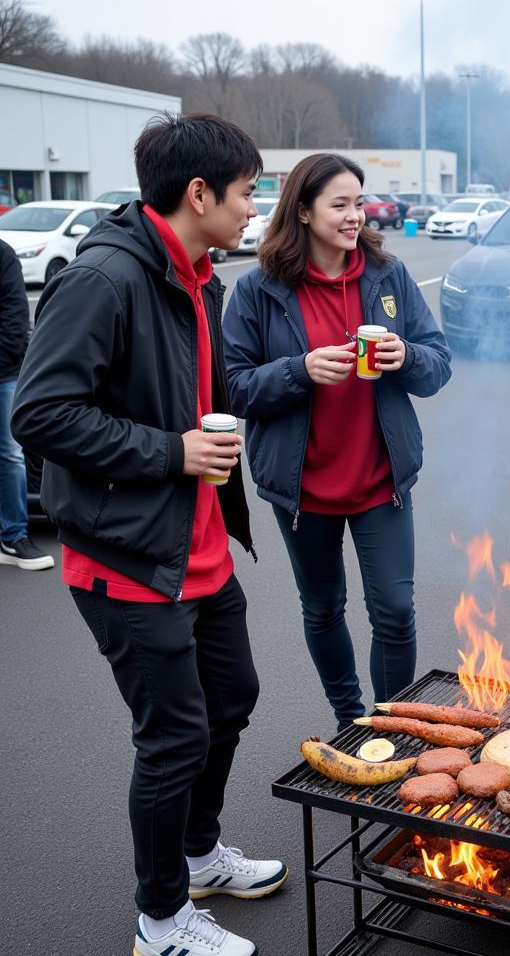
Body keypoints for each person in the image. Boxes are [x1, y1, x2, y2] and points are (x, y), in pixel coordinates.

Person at [12, 113, 286, 956]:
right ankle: (160, 920)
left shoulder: (201, 273)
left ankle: (199, 856)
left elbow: (199, 384)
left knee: (230, 701)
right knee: (172, 739)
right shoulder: (105, 278)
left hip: (195, 545)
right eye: (247, 194)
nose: (256, 209)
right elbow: (41, 413)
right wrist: (171, 452)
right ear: (198, 193)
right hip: (129, 560)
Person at [223, 153, 451, 731]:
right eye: (340, 205)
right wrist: (299, 370)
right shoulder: (258, 289)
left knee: (395, 612)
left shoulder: (389, 275)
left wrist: (408, 357)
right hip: (303, 489)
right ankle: (352, 720)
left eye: (359, 202)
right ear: (302, 210)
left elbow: (438, 364)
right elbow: (233, 387)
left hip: (381, 482)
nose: (356, 216)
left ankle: (393, 727)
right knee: (323, 608)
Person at [0, 238, 52, 570]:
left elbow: (15, 320)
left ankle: (13, 536)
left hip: (2, 373)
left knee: (8, 453)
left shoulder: (3, 255)